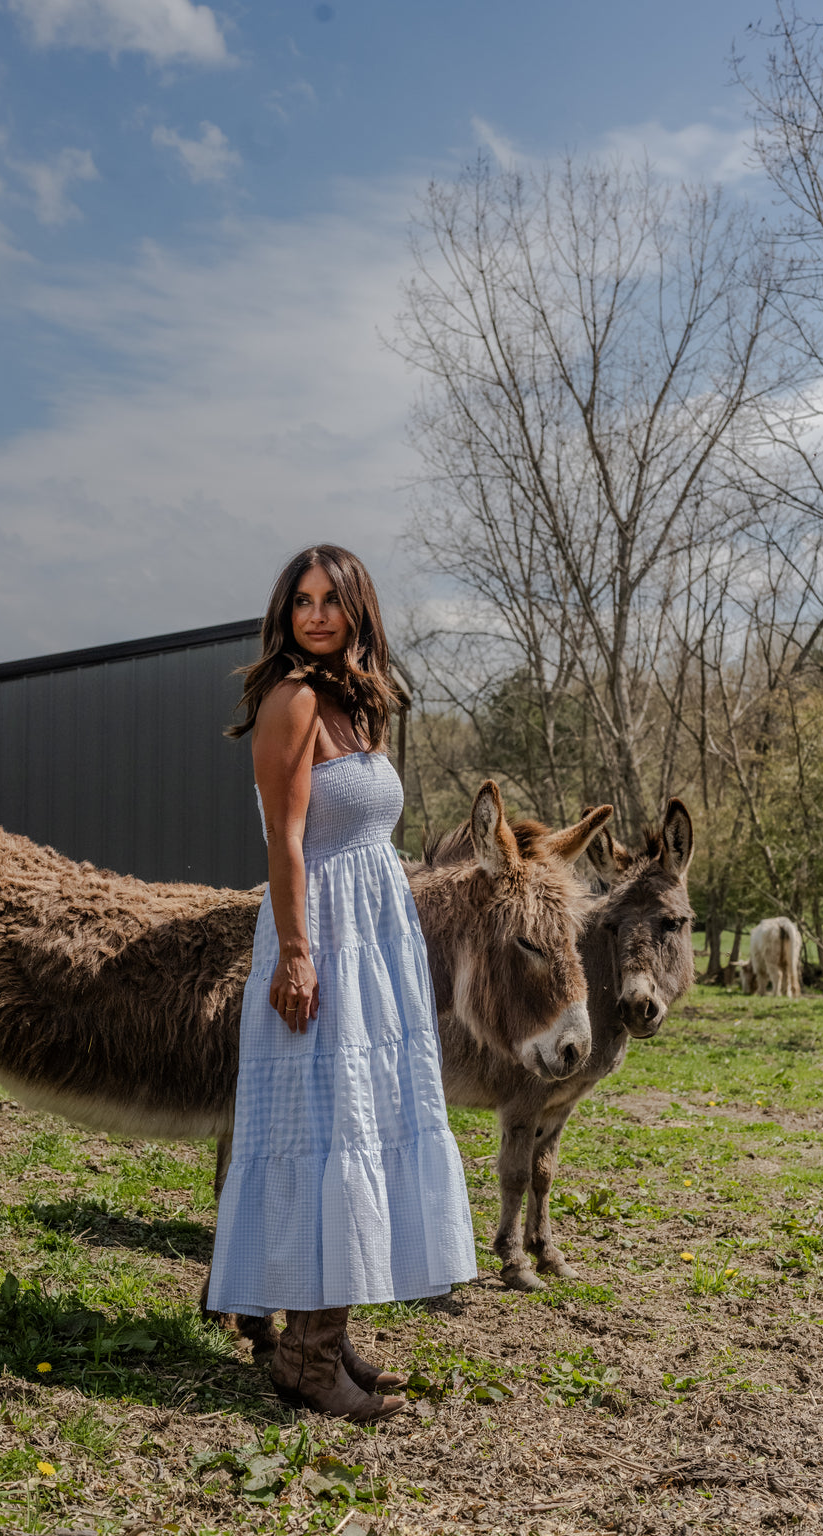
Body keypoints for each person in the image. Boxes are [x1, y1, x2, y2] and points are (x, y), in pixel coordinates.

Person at [206, 544, 476, 1422]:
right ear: (286, 614)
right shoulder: (292, 701)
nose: (316, 615)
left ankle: (323, 1336)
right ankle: (309, 1361)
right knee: (325, 1132)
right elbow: (285, 842)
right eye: (301, 602)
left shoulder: (359, 705)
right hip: (321, 937)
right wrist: (295, 950)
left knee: (363, 1120)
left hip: (372, 940)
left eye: (332, 600)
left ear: (358, 611)